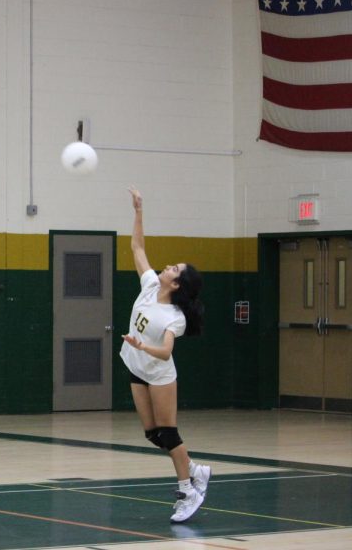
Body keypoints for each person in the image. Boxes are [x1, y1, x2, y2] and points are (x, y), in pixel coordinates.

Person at [120, 187, 210, 524]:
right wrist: (139, 210)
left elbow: (167, 351)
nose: (167, 267)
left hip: (159, 374)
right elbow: (137, 246)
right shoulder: (148, 286)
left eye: (174, 269)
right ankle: (195, 468)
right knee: (152, 434)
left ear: (177, 284)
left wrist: (143, 346)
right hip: (136, 368)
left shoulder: (174, 317)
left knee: (169, 432)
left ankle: (188, 489)